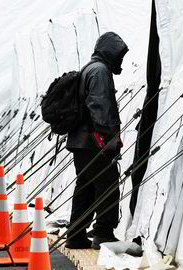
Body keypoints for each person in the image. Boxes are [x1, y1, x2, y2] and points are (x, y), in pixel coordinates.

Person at [65, 32, 128, 249]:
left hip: (80, 142)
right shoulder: (100, 71)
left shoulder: (89, 68)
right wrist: (111, 138)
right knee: (108, 184)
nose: (121, 60)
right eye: (119, 55)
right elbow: (100, 108)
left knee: (86, 187)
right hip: (94, 142)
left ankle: (75, 234)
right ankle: (103, 232)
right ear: (110, 51)